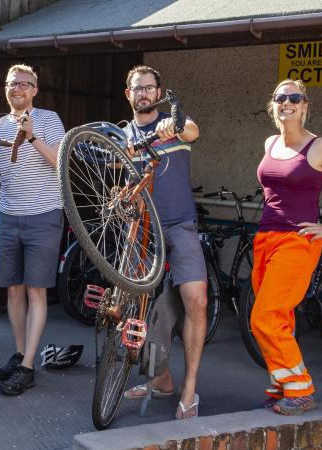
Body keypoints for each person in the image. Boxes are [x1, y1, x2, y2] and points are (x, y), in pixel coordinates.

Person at [251, 79, 322, 415]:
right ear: (272, 105)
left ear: (305, 106)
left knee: (264, 317)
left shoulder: (321, 148)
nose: (287, 102)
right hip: (265, 238)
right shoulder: (270, 142)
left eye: (294, 98)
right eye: (280, 98)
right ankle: (281, 383)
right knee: (278, 317)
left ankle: (301, 388)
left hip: (297, 243)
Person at [118, 65, 207, 419]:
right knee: (127, 307)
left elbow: (193, 130)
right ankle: (162, 378)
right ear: (129, 94)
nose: (144, 93)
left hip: (179, 223)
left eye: (150, 88)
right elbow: (122, 178)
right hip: (140, 227)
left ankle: (189, 390)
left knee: (196, 300)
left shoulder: (172, 124)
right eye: (137, 88)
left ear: (159, 92)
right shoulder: (122, 135)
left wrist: (176, 124)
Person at [0, 64, 66, 396]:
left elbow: (60, 160)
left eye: (23, 84)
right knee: (13, 291)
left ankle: (29, 367)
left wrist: (31, 136)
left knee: (36, 291)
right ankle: (20, 355)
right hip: (8, 216)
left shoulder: (49, 119)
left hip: (44, 215)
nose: (17, 88)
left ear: (34, 89)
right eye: (11, 84)